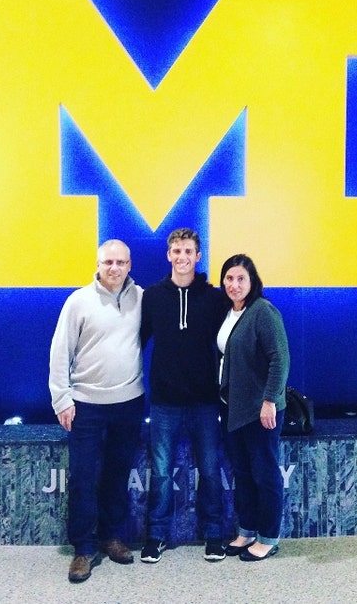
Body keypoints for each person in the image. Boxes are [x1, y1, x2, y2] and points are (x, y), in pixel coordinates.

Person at [48, 239, 145, 583]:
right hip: (86, 406)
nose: (114, 268)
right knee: (84, 479)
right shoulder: (78, 301)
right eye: (108, 262)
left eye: (121, 262)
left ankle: (112, 537)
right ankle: (84, 549)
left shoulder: (141, 299)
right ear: (98, 264)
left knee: (117, 475)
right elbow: (60, 352)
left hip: (129, 404)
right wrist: (62, 399)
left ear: (130, 265)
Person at [138, 228, 227, 563]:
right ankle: (157, 535)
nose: (182, 257)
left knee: (209, 469)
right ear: (168, 255)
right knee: (160, 473)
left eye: (188, 251)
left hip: (205, 401)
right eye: (176, 251)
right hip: (164, 402)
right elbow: (137, 341)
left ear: (198, 256)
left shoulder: (214, 297)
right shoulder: (153, 296)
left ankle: (214, 534)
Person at [216, 253, 290, 561]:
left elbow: (280, 359)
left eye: (241, 279)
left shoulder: (263, 311)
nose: (234, 285)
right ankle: (246, 531)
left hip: (261, 411)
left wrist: (269, 400)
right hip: (233, 410)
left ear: (252, 281)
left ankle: (268, 537)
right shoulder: (229, 312)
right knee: (243, 474)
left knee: (265, 474)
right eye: (229, 278)